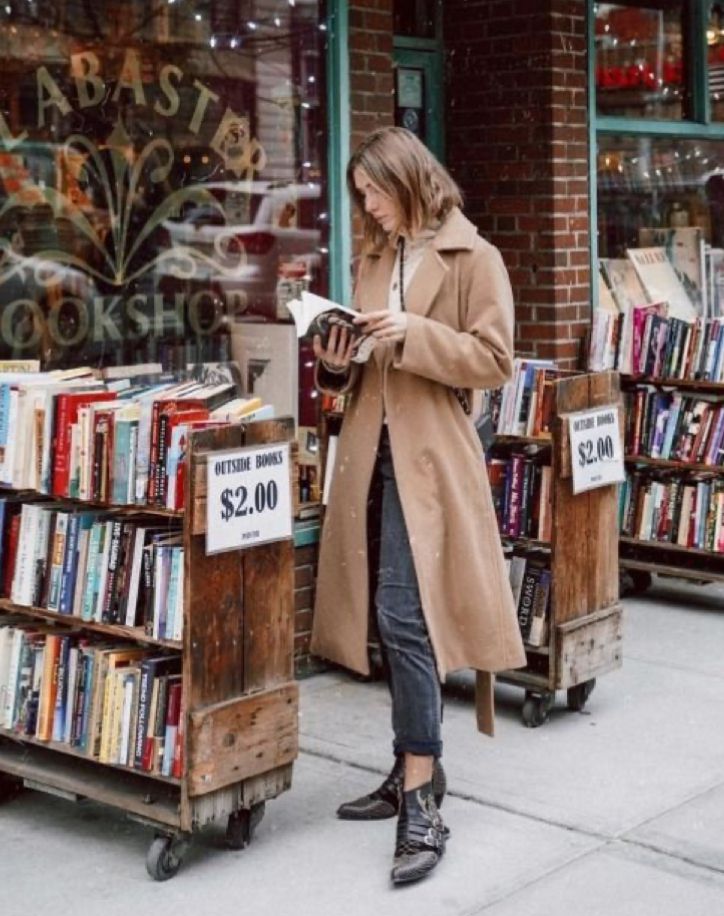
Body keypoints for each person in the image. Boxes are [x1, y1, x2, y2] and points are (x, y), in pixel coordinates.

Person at [310, 127, 526, 886]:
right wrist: (336, 366)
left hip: (430, 458)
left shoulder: (475, 257)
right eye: (361, 196)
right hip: (371, 450)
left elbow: (495, 361)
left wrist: (415, 332)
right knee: (384, 612)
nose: (365, 207)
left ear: (407, 181)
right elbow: (355, 377)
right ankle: (409, 768)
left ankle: (422, 795)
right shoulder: (374, 256)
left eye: (372, 192)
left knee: (406, 614)